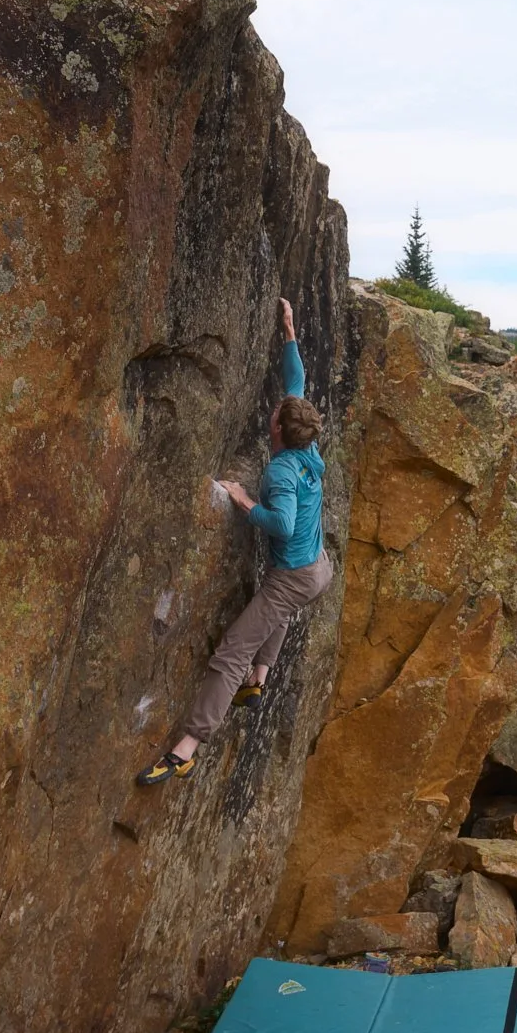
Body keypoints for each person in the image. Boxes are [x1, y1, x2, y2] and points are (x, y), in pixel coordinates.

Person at [139, 298, 330, 785]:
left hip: (294, 576)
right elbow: (296, 382)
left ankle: (186, 748)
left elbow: (282, 523)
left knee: (231, 652)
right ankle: (259, 679)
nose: (273, 409)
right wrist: (289, 330)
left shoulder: (283, 469)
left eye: (275, 413)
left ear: (277, 429)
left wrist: (244, 501)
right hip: (318, 567)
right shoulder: (306, 443)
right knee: (278, 613)